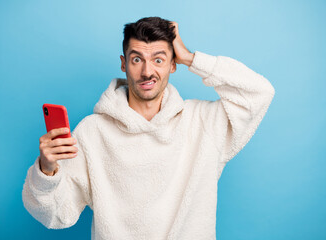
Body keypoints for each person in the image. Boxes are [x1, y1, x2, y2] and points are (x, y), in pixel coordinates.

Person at [22, 16, 275, 240]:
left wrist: (191, 58)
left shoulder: (201, 122)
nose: (147, 71)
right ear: (123, 64)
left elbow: (259, 93)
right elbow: (56, 214)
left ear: (173, 65)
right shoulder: (92, 132)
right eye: (136, 59)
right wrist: (47, 170)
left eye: (159, 59)